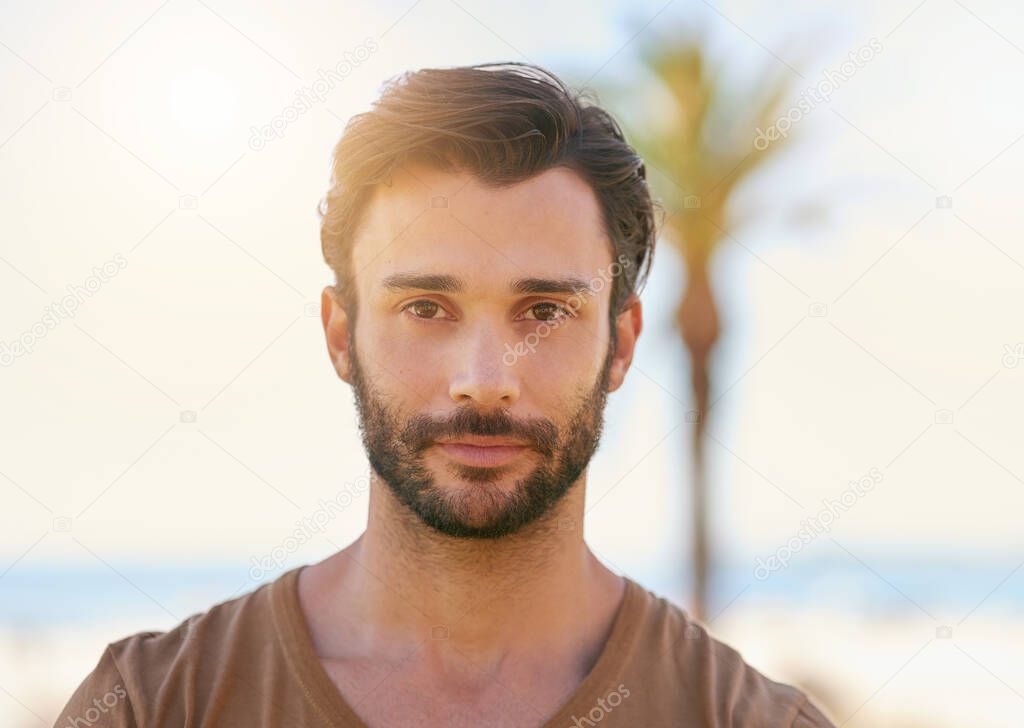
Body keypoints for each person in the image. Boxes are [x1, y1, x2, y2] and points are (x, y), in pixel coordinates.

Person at [54, 61, 834, 727]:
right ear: (340, 337)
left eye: (545, 312)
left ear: (620, 342)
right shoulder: (155, 706)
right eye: (426, 308)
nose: (486, 379)